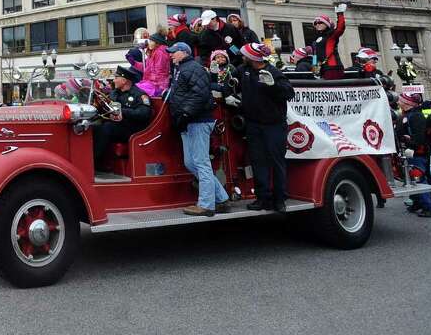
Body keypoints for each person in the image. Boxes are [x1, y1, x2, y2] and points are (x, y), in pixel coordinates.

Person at [165, 42, 228, 217]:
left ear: (184, 53)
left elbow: (200, 95)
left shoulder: (192, 68)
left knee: (201, 163)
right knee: (191, 163)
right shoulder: (183, 69)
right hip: (190, 121)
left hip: (197, 121)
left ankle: (207, 205)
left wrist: (185, 113)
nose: (171, 55)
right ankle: (221, 198)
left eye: (173, 52)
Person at [231, 42, 294, 212]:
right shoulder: (244, 69)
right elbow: (230, 80)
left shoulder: (273, 72)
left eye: (245, 54)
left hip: (273, 125)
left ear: (253, 57)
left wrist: (273, 85)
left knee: (276, 161)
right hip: (253, 124)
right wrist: (229, 86)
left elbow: (289, 93)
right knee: (258, 162)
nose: (242, 56)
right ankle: (262, 198)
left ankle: (280, 199)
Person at [92, 64, 153, 170]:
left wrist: (123, 112)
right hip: (117, 125)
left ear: (124, 81)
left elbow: (144, 113)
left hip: (132, 129)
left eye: (116, 78)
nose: (113, 81)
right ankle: (94, 160)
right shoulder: (115, 93)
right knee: (93, 127)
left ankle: (94, 162)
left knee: (107, 128)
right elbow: (108, 105)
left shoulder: (139, 95)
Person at [398, 91, 431, 217]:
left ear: (407, 103)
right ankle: (417, 202)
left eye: (401, 100)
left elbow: (420, 135)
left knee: (418, 177)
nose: (398, 102)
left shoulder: (416, 116)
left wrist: (412, 146)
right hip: (407, 151)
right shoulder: (406, 115)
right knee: (410, 178)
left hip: (417, 153)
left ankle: (428, 207)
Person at [310, 4, 348, 79]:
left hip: (334, 68)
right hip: (323, 69)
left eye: (320, 22)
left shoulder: (331, 35)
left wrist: (340, 14)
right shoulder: (316, 39)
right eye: (315, 23)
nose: (317, 24)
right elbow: (314, 55)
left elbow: (340, 28)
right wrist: (314, 69)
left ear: (326, 24)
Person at [140, 33, 172, 97]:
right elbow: (147, 67)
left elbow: (160, 72)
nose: (149, 43)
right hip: (153, 82)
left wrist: (149, 82)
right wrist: (134, 63)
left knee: (137, 91)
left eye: (151, 41)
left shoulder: (160, 53)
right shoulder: (154, 52)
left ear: (157, 42)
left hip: (158, 85)